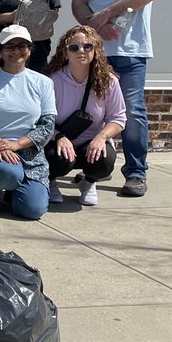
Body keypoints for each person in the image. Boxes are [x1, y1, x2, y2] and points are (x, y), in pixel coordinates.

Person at [71, 0, 167, 198]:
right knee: (90, 113)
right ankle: (91, 170)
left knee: (132, 111)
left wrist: (106, 13)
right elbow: (78, 3)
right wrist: (96, 24)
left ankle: (136, 173)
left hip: (129, 50)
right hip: (93, 52)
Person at [0, 25, 56, 220]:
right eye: (9, 47)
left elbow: (47, 126)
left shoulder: (43, 82)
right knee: (7, 172)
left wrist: (16, 144)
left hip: (29, 152)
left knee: (33, 210)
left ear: (30, 49)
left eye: (22, 46)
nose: (16, 51)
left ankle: (14, 191)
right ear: (0, 52)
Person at [45, 25, 127, 207]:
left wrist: (101, 137)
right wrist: (58, 136)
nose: (81, 51)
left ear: (96, 50)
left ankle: (88, 182)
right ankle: (50, 182)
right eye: (74, 47)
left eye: (87, 46)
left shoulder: (109, 81)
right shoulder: (52, 80)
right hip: (57, 139)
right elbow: (39, 119)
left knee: (104, 160)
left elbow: (118, 118)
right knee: (59, 159)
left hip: (90, 141)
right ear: (65, 53)